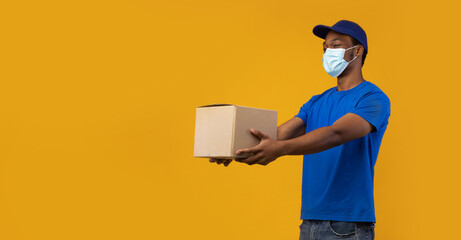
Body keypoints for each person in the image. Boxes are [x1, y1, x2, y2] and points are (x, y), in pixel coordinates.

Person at [210, 20, 390, 240]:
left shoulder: (373, 98)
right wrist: (234, 149)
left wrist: (280, 150)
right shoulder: (316, 102)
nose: (328, 53)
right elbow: (279, 134)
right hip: (309, 222)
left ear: (358, 50)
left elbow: (337, 133)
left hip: (347, 225)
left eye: (335, 46)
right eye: (325, 49)